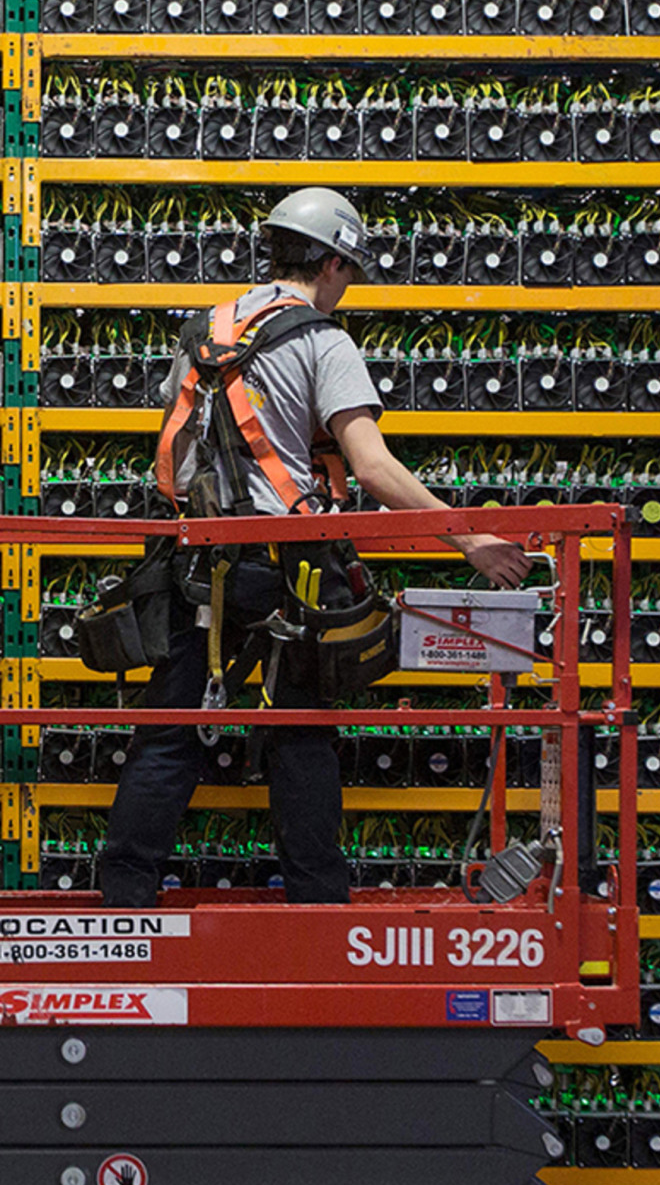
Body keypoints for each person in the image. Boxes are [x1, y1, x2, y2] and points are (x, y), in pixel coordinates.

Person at [99, 186, 532, 907]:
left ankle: (125, 900)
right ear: (330, 261)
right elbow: (373, 466)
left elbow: (174, 456)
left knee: (169, 732)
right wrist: (472, 540)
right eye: (349, 270)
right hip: (286, 568)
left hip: (198, 563)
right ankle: (318, 905)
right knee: (300, 735)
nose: (347, 286)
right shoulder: (323, 341)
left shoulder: (205, 330)